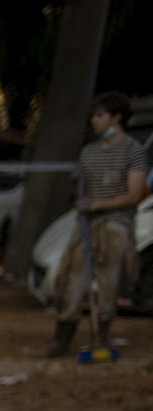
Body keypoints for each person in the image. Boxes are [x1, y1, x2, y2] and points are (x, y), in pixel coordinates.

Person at [46, 92, 149, 358]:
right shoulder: (88, 153)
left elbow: (134, 193)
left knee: (108, 283)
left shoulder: (133, 151)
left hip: (116, 226)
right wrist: (79, 198)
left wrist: (96, 205)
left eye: (100, 115)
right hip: (87, 226)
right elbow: (80, 186)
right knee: (70, 278)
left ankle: (102, 336)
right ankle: (62, 336)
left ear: (117, 118)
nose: (94, 120)